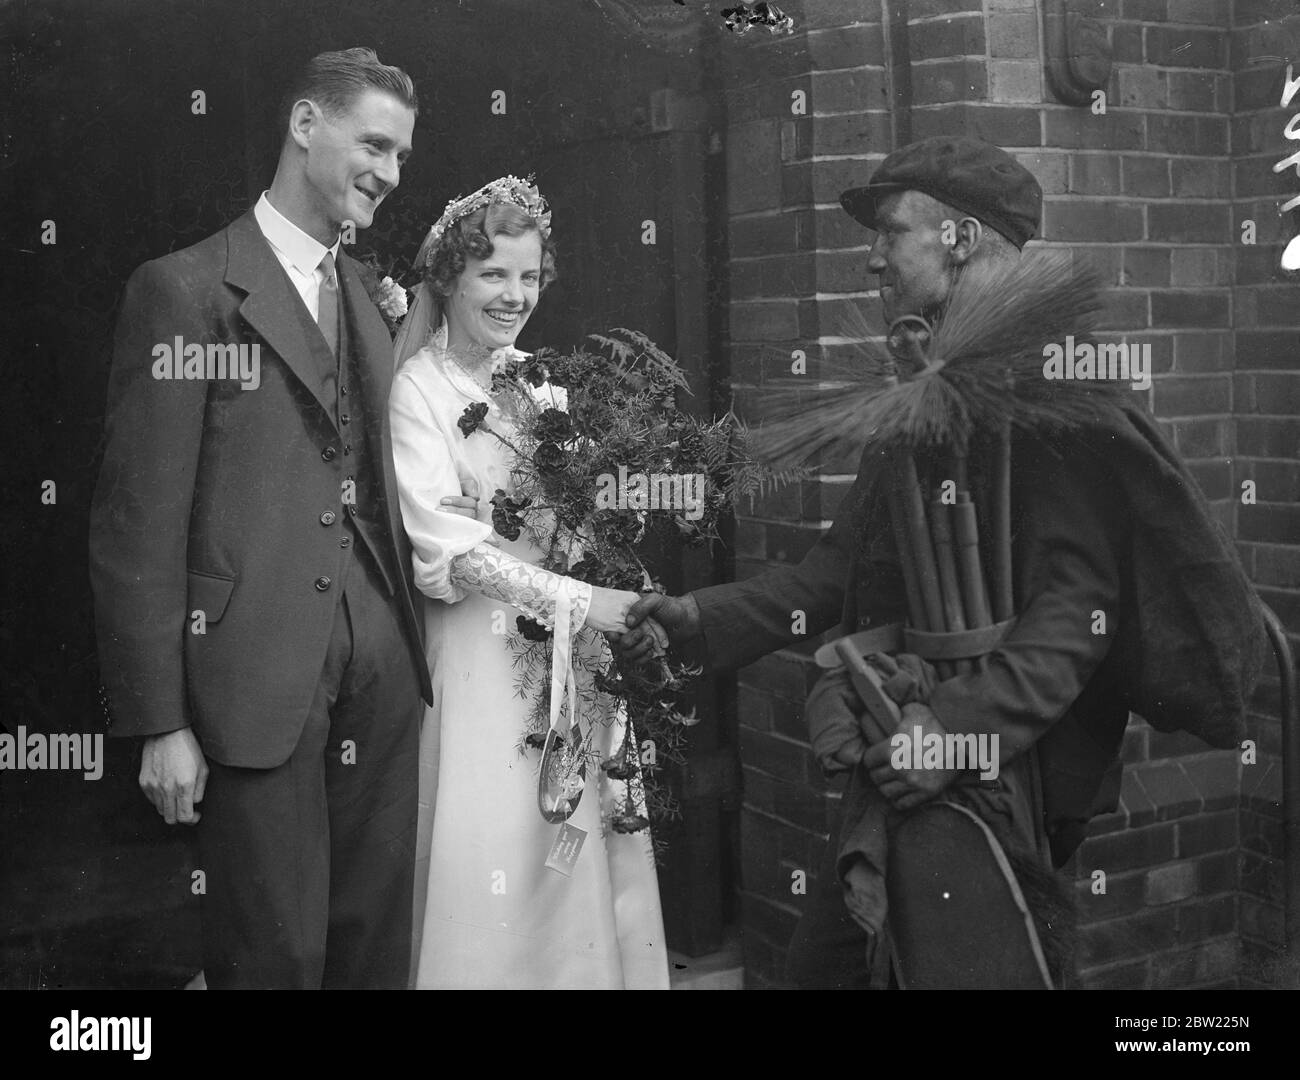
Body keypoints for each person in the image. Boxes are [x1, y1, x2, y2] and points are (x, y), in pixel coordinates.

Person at [615, 136, 1263, 988]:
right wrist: (699, 619)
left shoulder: (1057, 396)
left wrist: (950, 735)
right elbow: (831, 577)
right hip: (906, 748)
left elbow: (1074, 623)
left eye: (891, 231)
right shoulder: (919, 397)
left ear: (958, 237)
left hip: (1006, 771)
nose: (871, 257)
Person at [90, 49, 431, 989]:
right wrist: (160, 720)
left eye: (401, 156)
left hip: (380, 670)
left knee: (374, 949)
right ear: (304, 124)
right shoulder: (187, 289)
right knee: (273, 956)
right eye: (373, 144)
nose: (389, 174)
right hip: (252, 682)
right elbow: (138, 523)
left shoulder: (365, 298)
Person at [390, 175, 670, 989]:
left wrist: (606, 556)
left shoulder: (539, 382)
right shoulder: (420, 394)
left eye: (529, 278)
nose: (514, 297)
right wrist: (587, 602)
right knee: (496, 839)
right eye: (493, 276)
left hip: (563, 651)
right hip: (482, 657)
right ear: (448, 278)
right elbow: (452, 550)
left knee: (569, 843)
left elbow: (572, 511)